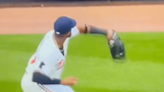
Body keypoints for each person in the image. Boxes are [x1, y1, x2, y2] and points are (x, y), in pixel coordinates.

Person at [21, 16, 125, 92]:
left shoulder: (58, 35)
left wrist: (107, 33)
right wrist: (62, 82)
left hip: (48, 79)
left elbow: (82, 29)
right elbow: (36, 77)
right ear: (67, 33)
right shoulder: (49, 52)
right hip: (36, 85)